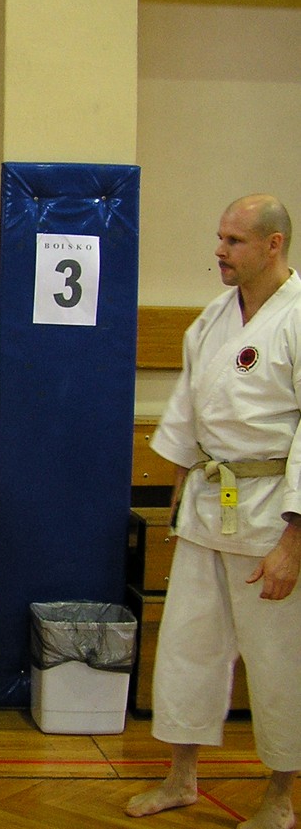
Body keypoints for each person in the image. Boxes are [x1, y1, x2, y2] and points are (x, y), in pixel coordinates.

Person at [127, 193, 301, 829]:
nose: (219, 251)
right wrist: (178, 494)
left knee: (279, 661)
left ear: (273, 244)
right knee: (187, 649)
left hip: (272, 515)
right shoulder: (213, 319)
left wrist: (293, 543)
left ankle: (280, 796)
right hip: (208, 509)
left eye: (234, 241)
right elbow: (187, 411)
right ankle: (181, 778)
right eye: (220, 238)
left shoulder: (297, 318)